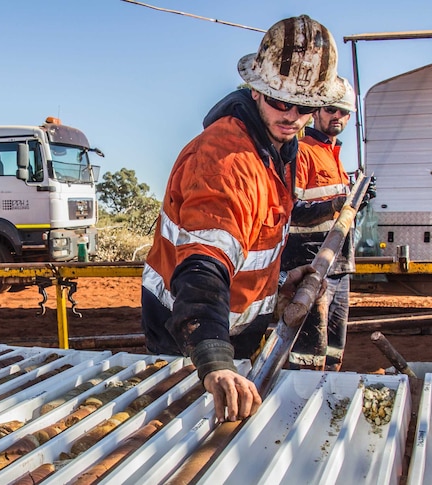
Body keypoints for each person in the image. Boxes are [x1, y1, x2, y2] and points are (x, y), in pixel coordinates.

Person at [141, 15, 346, 423]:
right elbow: (203, 264)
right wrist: (215, 360)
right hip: (191, 334)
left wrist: (276, 285)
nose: (291, 115)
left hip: (230, 329)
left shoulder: (279, 149)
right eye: (279, 101)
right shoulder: (228, 159)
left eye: (304, 107)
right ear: (255, 91)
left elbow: (249, 242)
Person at [284, 79, 375, 371]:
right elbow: (292, 211)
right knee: (308, 354)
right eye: (331, 109)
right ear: (316, 112)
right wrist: (339, 204)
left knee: (334, 350)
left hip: (338, 267)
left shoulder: (334, 155)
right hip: (310, 268)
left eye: (345, 112)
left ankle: (327, 402)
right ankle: (298, 404)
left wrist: (356, 199)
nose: (338, 117)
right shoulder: (302, 151)